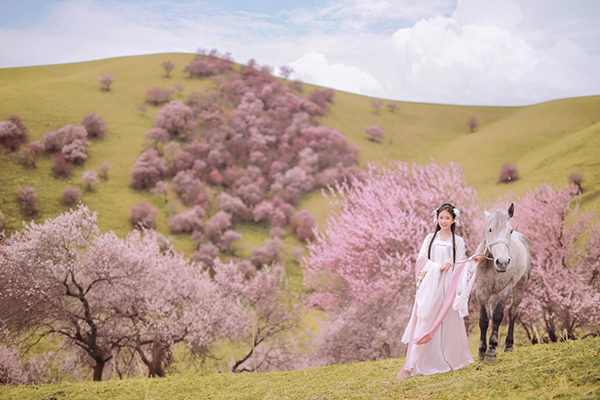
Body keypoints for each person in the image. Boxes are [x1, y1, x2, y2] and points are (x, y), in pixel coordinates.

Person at [397, 203, 484, 379]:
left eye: (447, 218)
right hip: (431, 286)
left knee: (449, 322)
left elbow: (460, 265)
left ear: (454, 220)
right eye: (441, 217)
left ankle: (450, 358)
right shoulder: (430, 238)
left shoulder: (458, 241)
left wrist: (473, 260)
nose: (443, 221)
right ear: (437, 218)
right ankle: (414, 362)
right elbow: (421, 261)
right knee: (425, 319)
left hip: (448, 287)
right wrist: (438, 267)